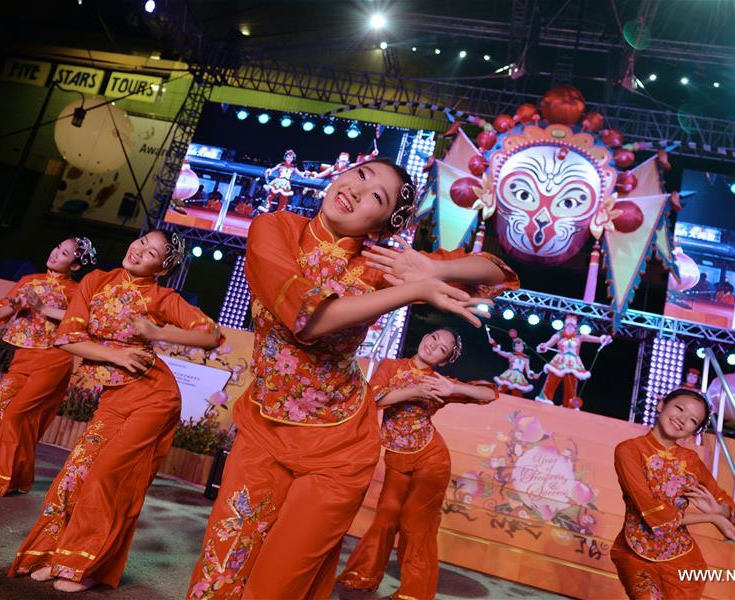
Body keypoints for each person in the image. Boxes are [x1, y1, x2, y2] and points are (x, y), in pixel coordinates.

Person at [187, 158, 518, 599]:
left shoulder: (380, 262)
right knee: (221, 566)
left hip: (340, 450)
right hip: (265, 429)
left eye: (377, 197)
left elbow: (500, 272)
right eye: (361, 175)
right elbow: (309, 319)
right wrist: (414, 289)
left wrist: (434, 270)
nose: (358, 191)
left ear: (381, 226)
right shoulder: (276, 229)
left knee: (278, 583)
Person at [8, 230, 222, 593]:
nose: (139, 252)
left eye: (151, 252)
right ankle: (53, 554)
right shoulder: (96, 280)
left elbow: (210, 335)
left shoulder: (161, 296)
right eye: (141, 243)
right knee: (75, 474)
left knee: (107, 478)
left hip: (153, 399)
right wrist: (117, 354)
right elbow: (69, 338)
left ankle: (85, 567)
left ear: (163, 267)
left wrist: (156, 333)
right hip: (114, 399)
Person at [337, 328, 497, 600]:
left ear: (444, 360)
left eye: (443, 349)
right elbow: (373, 398)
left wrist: (453, 387)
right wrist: (414, 390)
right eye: (433, 337)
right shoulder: (392, 366)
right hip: (398, 457)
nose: (434, 346)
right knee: (386, 516)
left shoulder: (439, 382)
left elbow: (489, 394)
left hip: (430, 459)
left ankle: (414, 593)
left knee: (415, 524)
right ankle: (363, 574)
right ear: (424, 337)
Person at [0, 237, 97, 496]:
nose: (56, 253)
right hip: (22, 358)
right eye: (57, 247)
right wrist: (14, 306)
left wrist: (41, 307)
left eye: (65, 252)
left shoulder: (76, 290)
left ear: (76, 265)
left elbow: (84, 320)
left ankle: (1, 478)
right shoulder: (29, 281)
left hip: (53, 359)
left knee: (16, 415)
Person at [610, 388, 735, 599]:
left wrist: (719, 510)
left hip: (683, 560)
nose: (682, 419)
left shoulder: (690, 460)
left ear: (694, 432)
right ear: (661, 404)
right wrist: (711, 518)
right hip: (635, 554)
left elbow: (731, 509)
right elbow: (651, 511)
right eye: (679, 408)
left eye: (693, 420)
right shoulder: (629, 450)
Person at [535, 315, 611, 406]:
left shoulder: (580, 336)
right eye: (568, 321)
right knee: (551, 381)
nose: (570, 323)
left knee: (571, 386)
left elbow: (597, 339)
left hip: (574, 363)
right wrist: (543, 347)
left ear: (576, 325)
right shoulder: (558, 335)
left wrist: (604, 339)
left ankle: (569, 405)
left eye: (573, 322)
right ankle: (545, 399)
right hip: (559, 361)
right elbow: (548, 344)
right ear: (564, 324)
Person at [487, 328, 538, 395]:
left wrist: (533, 375)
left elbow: (528, 371)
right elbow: (500, 352)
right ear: (514, 348)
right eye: (517, 346)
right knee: (501, 390)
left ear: (523, 347)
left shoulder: (526, 359)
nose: (519, 347)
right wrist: (494, 343)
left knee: (517, 393)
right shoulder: (511, 355)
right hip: (509, 375)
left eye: (520, 346)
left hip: (519, 377)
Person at [260, 149, 309, 213]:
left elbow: (301, 175)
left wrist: (305, 174)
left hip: (286, 183)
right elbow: (273, 169)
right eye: (288, 157)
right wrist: (269, 171)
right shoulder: (281, 165)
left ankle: (280, 212)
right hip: (278, 181)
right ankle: (265, 208)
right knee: (271, 195)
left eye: (291, 157)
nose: (289, 158)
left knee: (284, 199)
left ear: (293, 159)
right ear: (285, 157)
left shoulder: (293, 167)